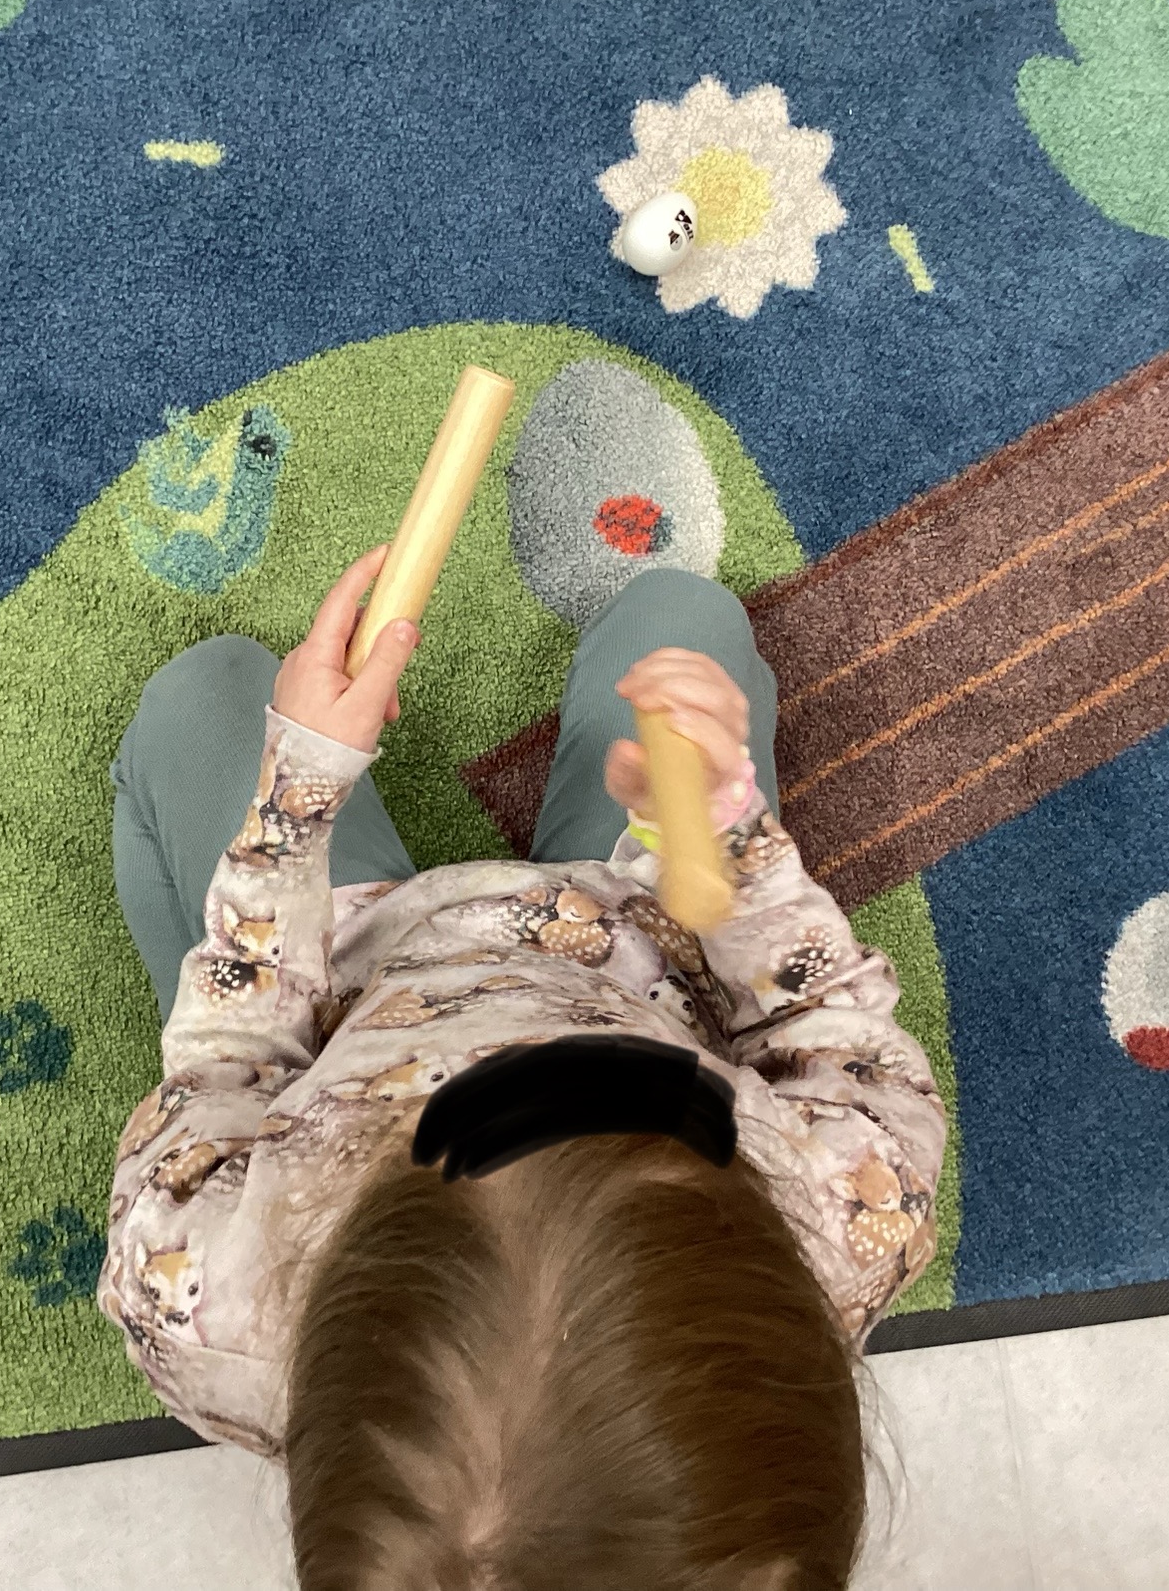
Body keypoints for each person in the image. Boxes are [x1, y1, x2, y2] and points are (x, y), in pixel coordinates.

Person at [99, 547, 948, 1591]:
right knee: (682, 621)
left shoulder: (198, 1302)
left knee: (203, 692)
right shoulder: (853, 1217)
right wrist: (724, 833)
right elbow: (824, 1020)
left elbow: (227, 1063)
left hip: (340, 975)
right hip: (642, 936)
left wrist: (293, 803)